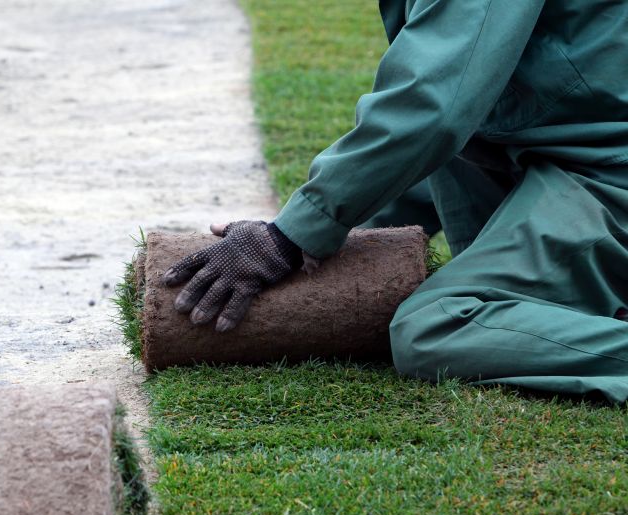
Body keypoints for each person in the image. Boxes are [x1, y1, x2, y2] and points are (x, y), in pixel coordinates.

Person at [163, 0, 628, 403]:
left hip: (606, 178)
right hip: (576, 165)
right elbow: (463, 112)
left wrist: (286, 238)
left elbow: (434, 103)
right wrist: (320, 234)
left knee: (435, 327)